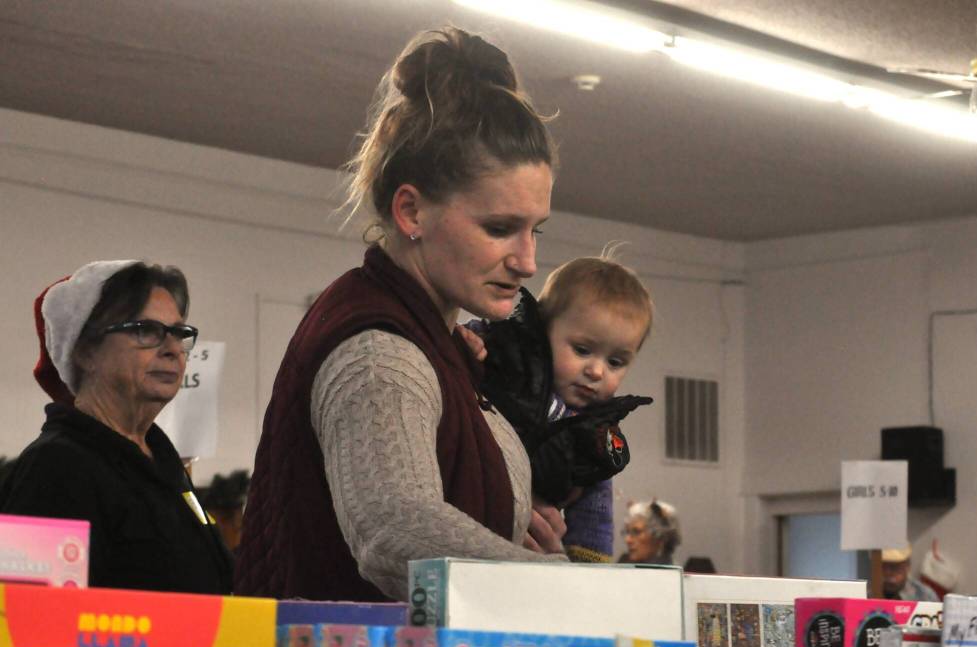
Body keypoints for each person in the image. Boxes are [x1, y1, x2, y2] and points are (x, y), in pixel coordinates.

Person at [234, 26, 566, 602]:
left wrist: (518, 531)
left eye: (534, 230)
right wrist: (569, 585)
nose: (528, 262)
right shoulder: (378, 352)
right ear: (411, 210)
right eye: (499, 228)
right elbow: (394, 529)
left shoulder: (437, 344)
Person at [0, 260, 233, 594]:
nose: (171, 349)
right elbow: (31, 626)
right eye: (146, 330)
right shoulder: (55, 468)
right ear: (85, 352)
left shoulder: (164, 462)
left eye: (179, 333)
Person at [468, 254, 655, 562]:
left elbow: (596, 508)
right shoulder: (514, 368)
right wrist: (470, 342)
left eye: (615, 362)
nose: (596, 371)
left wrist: (589, 564)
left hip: (526, 549)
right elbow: (484, 344)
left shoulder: (593, 431)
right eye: (582, 350)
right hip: (474, 520)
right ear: (543, 330)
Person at [617, 500, 681, 565]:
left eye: (637, 532)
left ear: (661, 538)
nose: (628, 540)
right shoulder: (625, 568)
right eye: (627, 532)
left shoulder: (672, 574)